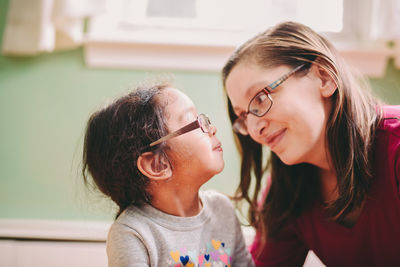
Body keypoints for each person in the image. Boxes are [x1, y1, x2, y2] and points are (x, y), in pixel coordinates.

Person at [222, 21, 400, 266]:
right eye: (243, 116)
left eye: (261, 99)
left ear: (324, 77)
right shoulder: (287, 190)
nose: (254, 129)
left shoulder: (395, 147)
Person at [82, 82, 255, 267]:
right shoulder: (133, 233)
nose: (212, 128)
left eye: (203, 119)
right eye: (194, 122)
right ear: (157, 164)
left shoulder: (223, 210)